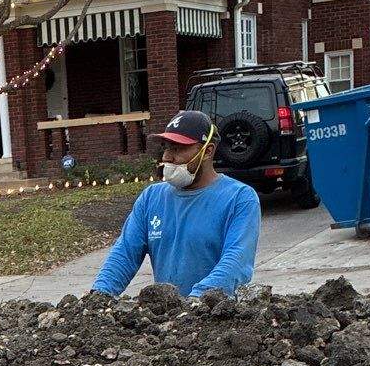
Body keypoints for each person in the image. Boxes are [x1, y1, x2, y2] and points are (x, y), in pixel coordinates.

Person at [91, 110, 261, 299]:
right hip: (168, 312)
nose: (167, 157)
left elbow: (237, 260)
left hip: (216, 312)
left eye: (178, 149)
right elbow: (125, 252)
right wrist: (100, 295)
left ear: (208, 151)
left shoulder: (239, 198)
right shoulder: (151, 198)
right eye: (166, 147)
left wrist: (196, 300)